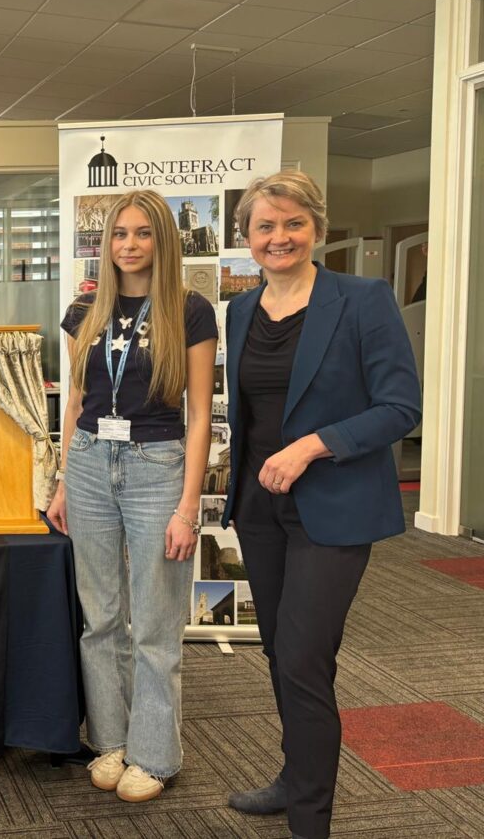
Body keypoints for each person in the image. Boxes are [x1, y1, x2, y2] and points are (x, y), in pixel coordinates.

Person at [221, 171, 421, 839]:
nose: (280, 238)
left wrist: (312, 446)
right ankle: (293, 776)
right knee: (281, 651)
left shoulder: (364, 299)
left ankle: (310, 819)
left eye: (293, 223)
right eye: (265, 227)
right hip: (259, 509)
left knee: (305, 656)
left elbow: (400, 408)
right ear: (247, 239)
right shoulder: (240, 311)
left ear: (317, 229)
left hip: (333, 508)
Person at [47, 189, 216, 803]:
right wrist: (64, 479)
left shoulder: (190, 311)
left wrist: (187, 505)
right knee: (100, 617)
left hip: (156, 466)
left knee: (153, 622)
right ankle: (112, 740)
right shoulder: (82, 312)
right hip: (91, 461)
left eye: (142, 233)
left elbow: (200, 414)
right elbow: (76, 403)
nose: (129, 245)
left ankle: (154, 754)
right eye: (119, 234)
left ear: (162, 241)